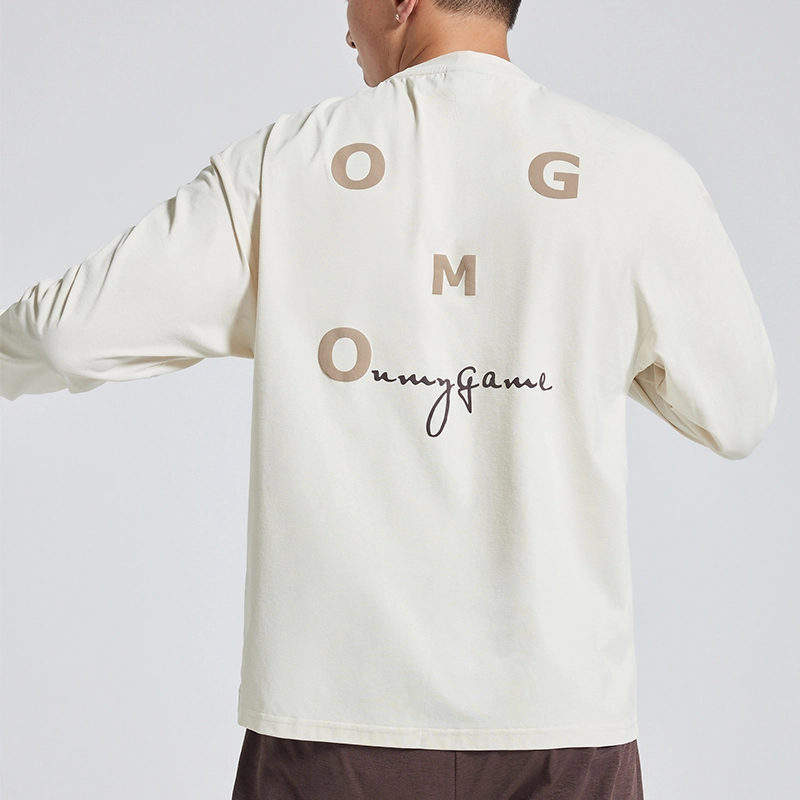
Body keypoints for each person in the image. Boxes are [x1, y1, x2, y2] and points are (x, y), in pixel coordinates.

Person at [0, 0, 778, 798]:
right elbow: (740, 412)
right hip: (562, 722)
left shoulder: (284, 167)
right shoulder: (635, 174)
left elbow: (64, 336)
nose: (346, 26)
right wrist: (591, 344)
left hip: (332, 723)